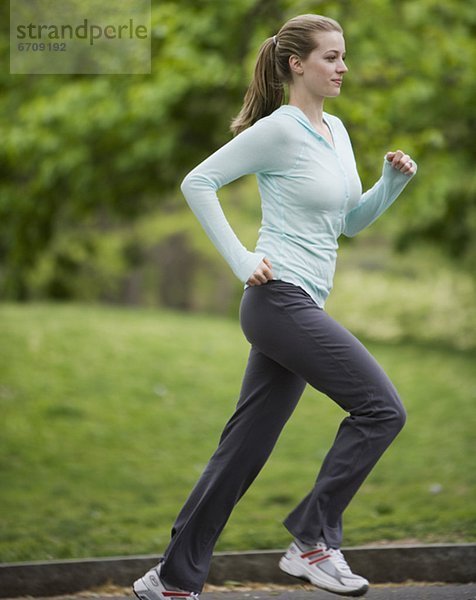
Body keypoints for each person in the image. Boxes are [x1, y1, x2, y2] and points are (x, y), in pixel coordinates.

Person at [133, 13, 417, 599]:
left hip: (301, 302)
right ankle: (312, 542)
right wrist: (241, 259)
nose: (342, 67)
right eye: (331, 57)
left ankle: (171, 580)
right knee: (382, 409)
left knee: (242, 450)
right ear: (297, 64)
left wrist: (389, 185)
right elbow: (198, 182)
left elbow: (350, 223)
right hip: (277, 300)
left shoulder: (336, 131)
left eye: (343, 56)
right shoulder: (280, 129)